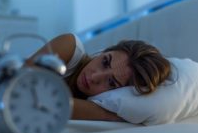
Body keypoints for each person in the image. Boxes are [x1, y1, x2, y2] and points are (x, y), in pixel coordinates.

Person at [25, 33, 171, 123]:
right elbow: (16, 88)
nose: (94, 76)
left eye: (111, 82)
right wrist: (107, 114)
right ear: (104, 51)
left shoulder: (110, 102)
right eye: (105, 62)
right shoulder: (70, 47)